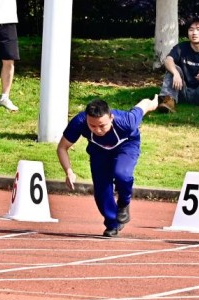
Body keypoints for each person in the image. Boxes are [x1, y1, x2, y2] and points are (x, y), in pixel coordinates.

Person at [57, 95, 159, 237]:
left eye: (102, 125)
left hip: (126, 145)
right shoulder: (79, 122)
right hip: (99, 151)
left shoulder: (126, 121)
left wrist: (154, 102)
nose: (98, 130)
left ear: (111, 118)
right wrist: (68, 171)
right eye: (92, 126)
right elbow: (62, 147)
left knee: (122, 174)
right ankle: (113, 223)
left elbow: (143, 106)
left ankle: (123, 203)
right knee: (101, 190)